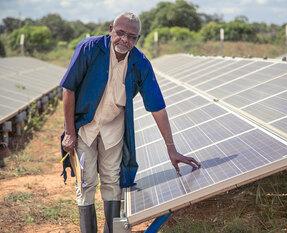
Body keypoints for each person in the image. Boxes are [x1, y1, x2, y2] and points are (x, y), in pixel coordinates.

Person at [60, 12, 201, 233]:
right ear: (110, 30)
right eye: (120, 33)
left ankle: (114, 231)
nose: (125, 40)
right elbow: (68, 89)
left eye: (132, 37)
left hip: (114, 129)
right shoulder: (89, 48)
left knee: (112, 182)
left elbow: (157, 107)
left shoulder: (140, 63)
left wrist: (171, 149)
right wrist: (69, 132)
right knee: (86, 183)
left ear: (137, 39)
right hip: (85, 127)